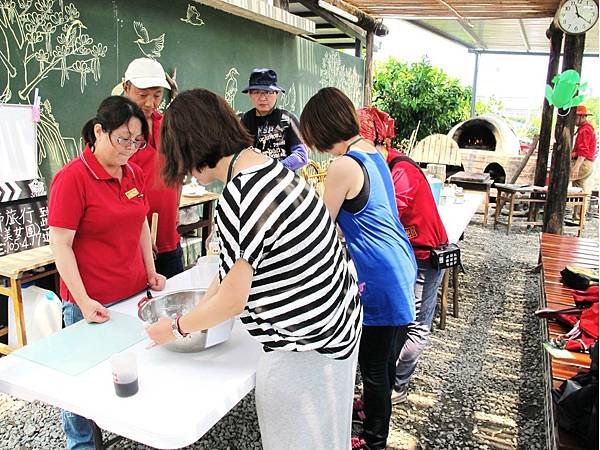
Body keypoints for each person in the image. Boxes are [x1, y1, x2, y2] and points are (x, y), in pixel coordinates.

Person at [146, 89, 362, 450]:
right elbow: (237, 267)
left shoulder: (239, 194)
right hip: (337, 330)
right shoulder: (269, 169)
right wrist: (201, 309)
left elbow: (233, 299)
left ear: (191, 146)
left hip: (304, 349)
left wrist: (177, 327)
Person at [300, 88, 416, 450]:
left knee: (375, 369)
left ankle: (373, 441)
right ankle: (369, 414)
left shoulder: (343, 166)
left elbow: (320, 229)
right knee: (381, 362)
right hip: (400, 263)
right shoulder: (371, 151)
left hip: (379, 276)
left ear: (321, 128)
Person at [49, 96, 166, 450]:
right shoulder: (72, 178)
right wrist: (83, 301)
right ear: (99, 131)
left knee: (129, 371)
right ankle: (81, 443)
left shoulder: (132, 172)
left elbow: (142, 223)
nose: (130, 148)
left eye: (137, 142)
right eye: (122, 139)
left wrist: (151, 271)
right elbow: (61, 245)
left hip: (132, 295)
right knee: (80, 380)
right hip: (91, 302)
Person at [358, 107, 449, 404]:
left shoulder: (400, 170)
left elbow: (386, 212)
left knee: (416, 324)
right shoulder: (381, 166)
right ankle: (384, 384)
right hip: (405, 257)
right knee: (396, 321)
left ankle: (398, 385)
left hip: (425, 256)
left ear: (379, 142)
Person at [124, 57, 184, 278]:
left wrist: (175, 209)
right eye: (143, 95)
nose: (150, 103)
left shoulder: (168, 125)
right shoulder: (116, 133)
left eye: (157, 95)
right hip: (132, 246)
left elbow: (177, 174)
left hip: (169, 239)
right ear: (126, 88)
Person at [240, 68, 308, 171]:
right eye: (256, 92)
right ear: (249, 94)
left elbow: (301, 156)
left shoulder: (288, 119)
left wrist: (275, 169)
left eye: (267, 92)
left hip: (284, 181)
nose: (262, 98)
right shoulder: (244, 121)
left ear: (277, 93)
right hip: (254, 182)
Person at [570, 104, 597, 223]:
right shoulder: (585, 129)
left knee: (561, 179)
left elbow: (583, 151)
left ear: (581, 117)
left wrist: (576, 167)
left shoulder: (585, 130)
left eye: (575, 117)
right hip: (586, 163)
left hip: (583, 163)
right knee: (579, 190)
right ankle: (578, 218)